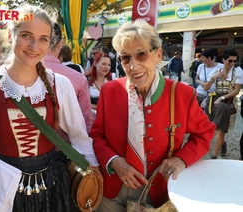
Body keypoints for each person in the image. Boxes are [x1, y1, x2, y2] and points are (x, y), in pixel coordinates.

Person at [0, 4, 101, 212]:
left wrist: (93, 181)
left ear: (49, 43)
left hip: (54, 186)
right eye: (26, 35)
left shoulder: (60, 85)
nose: (35, 46)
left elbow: (80, 139)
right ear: (11, 36)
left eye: (43, 39)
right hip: (1, 189)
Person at [90, 19, 215, 211]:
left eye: (141, 55)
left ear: (157, 55)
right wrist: (114, 161)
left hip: (157, 191)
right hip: (112, 191)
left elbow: (205, 133)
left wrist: (181, 159)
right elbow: (97, 135)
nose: (133, 66)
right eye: (125, 58)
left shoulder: (181, 94)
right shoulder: (110, 90)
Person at [42, 22, 93, 133]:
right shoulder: (77, 78)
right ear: (60, 44)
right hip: (68, 147)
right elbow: (86, 122)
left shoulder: (16, 76)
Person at [204, 49, 243, 159]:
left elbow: (236, 91)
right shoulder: (217, 70)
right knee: (216, 129)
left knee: (221, 131)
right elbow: (206, 87)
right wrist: (214, 77)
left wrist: (222, 98)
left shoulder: (238, 71)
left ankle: (214, 157)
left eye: (235, 61)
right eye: (230, 61)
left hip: (228, 103)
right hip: (216, 103)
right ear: (224, 60)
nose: (233, 64)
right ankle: (223, 144)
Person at [84, 52, 112, 118]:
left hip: (108, 119)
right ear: (95, 63)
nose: (107, 67)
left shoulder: (111, 80)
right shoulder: (86, 81)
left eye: (109, 65)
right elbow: (82, 103)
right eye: (104, 64)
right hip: (91, 119)